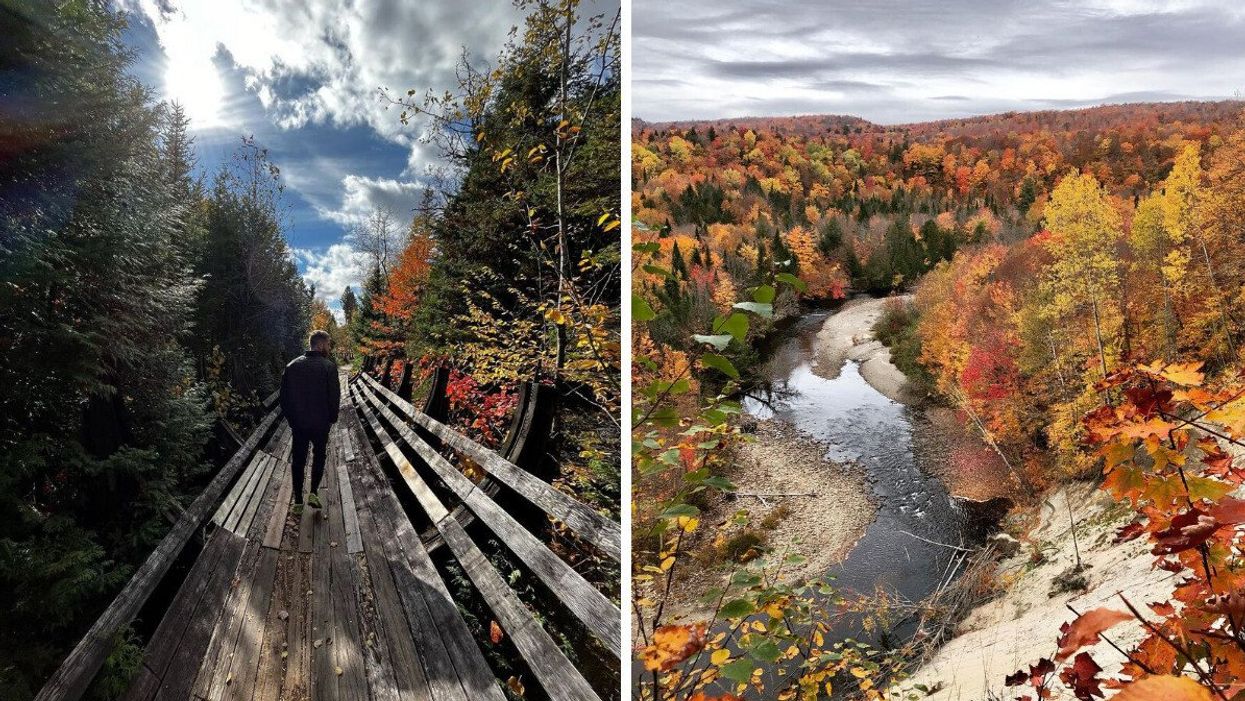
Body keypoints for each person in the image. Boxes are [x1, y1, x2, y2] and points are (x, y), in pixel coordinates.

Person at [279, 330, 340, 516]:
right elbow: (334, 397)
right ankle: (313, 492)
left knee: (298, 460)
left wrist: (292, 420)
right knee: (319, 456)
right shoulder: (329, 367)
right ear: (320, 345)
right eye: (327, 344)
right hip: (321, 423)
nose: (328, 348)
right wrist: (332, 418)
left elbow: (284, 398)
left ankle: (297, 501)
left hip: (299, 424)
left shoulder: (291, 366)